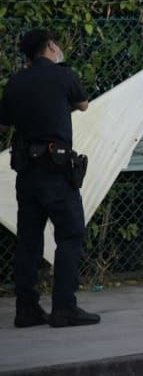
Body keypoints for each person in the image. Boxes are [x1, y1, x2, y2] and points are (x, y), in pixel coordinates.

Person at [0, 29, 100, 327]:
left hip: (27, 172)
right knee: (70, 234)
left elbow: (4, 124)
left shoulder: (15, 82)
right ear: (51, 47)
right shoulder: (63, 75)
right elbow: (83, 104)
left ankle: (26, 309)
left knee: (28, 240)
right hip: (57, 170)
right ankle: (64, 307)